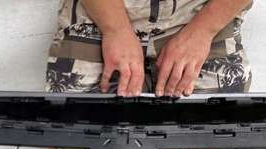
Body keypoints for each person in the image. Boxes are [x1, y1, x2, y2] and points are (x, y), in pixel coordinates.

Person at [45, 0, 252, 97]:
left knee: (194, 148)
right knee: (76, 142)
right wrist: (115, 29)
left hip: (201, 13)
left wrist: (202, 31)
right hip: (99, 14)